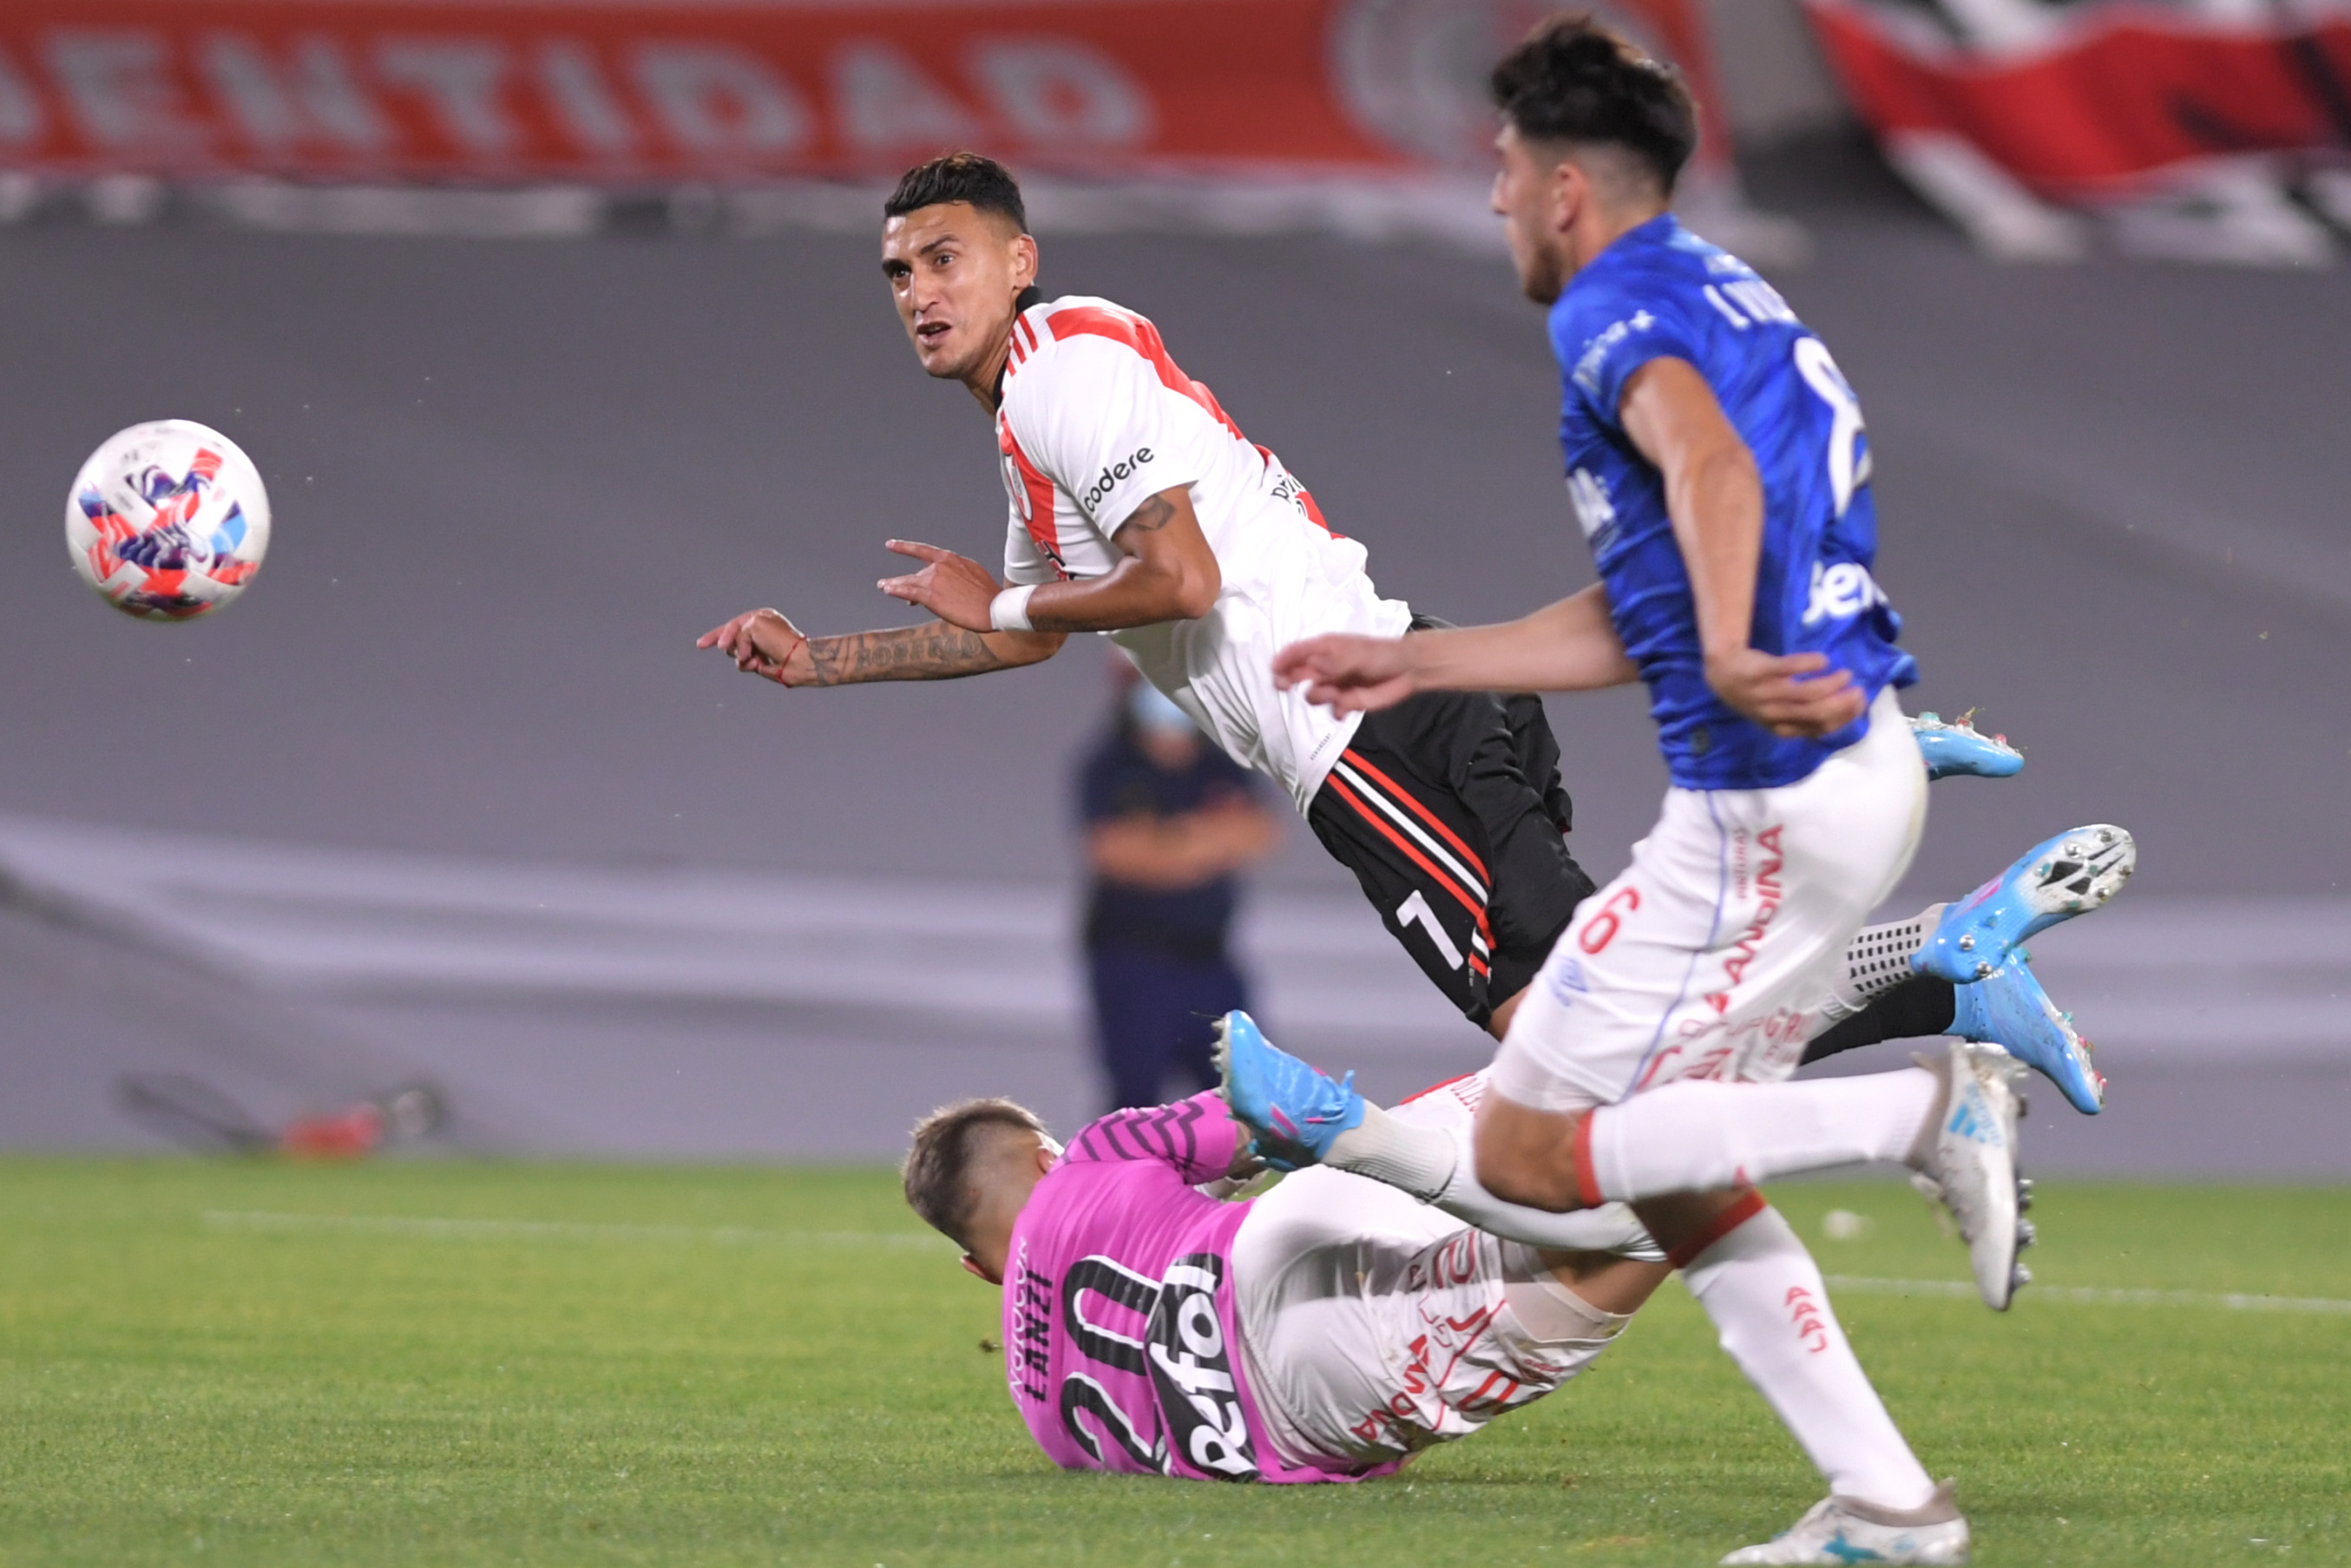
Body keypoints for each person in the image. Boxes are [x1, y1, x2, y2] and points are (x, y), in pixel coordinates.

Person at [690, 149, 2119, 1124]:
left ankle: (1870, 867)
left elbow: (1173, 583)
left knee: (1583, 1074)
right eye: (895, 272)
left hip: (1365, 736)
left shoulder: (1057, 380)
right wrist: (824, 656)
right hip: (1411, 696)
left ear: (1016, 261)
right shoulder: (1051, 390)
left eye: (942, 259)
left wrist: (1001, 598)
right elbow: (1034, 636)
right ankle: (1908, 916)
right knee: (1604, 1061)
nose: (917, 292)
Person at [1248, 17, 2131, 1562]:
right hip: (1833, 767)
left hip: (1761, 796)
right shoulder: (1736, 297)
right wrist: (1426, 660)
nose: (1497, 203)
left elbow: (1710, 476)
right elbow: (1639, 596)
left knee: (1534, 1162)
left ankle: (1914, 1103)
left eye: (1508, 172)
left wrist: (1723, 656)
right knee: (1658, 1161)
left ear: (1572, 186)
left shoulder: (1613, 305)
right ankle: (1883, 1503)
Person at [901, 1076, 1674, 1491]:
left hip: (1299, 1416)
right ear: (1043, 1154)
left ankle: (1685, 1173)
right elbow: (1265, 1116)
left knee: (1653, 1218)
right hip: (1275, 1245)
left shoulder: (1039, 1413)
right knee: (1563, 1089)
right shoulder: (1088, 1157)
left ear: (979, 1270)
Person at [1079, 671, 1278, 1110]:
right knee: (1134, 1097)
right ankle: (1128, 1180)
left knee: (1245, 1089)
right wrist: (1209, 842)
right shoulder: (1109, 765)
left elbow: (1258, 833)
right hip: (1132, 959)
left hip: (1210, 956)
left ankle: (1227, 1178)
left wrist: (1164, 842)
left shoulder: (1222, 761)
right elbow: (1117, 854)